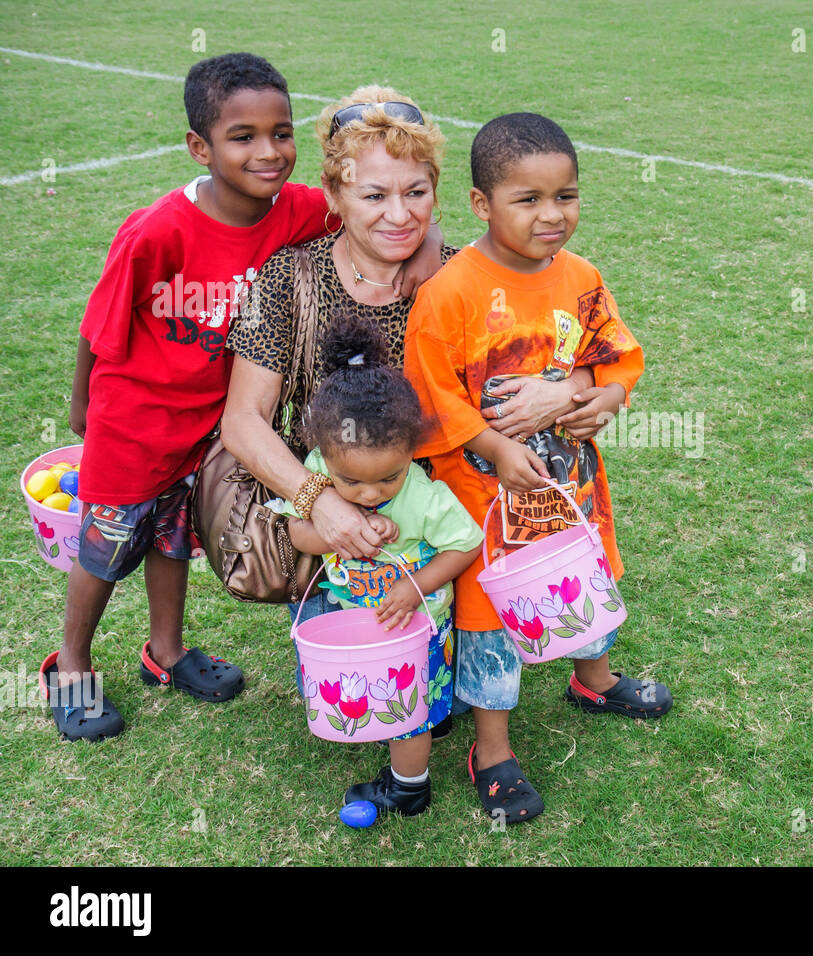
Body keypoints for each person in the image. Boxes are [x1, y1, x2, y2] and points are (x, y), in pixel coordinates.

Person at [222, 89, 589, 697]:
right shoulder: (288, 277)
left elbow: (560, 339)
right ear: (334, 197)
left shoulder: (460, 274)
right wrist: (321, 501)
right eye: (374, 195)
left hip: (443, 513)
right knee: (364, 689)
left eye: (416, 194)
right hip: (335, 507)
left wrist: (574, 388)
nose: (400, 215)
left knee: (431, 700)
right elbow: (242, 421)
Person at [44, 52, 331, 741]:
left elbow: (368, 208)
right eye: (243, 137)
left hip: (206, 431)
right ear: (200, 148)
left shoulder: (297, 212)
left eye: (282, 132)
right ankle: (70, 662)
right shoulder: (157, 231)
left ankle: (165, 651)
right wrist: (84, 410)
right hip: (134, 426)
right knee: (108, 550)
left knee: (172, 541)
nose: (269, 152)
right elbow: (99, 325)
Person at [404, 112, 673, 825]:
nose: (552, 215)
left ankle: (594, 679)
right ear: (480, 205)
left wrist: (597, 396)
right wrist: (495, 448)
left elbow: (616, 357)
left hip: (570, 484)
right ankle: (491, 748)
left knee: (583, 581)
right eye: (528, 200)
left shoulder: (581, 278)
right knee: (492, 618)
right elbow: (431, 398)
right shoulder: (450, 293)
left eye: (567, 195)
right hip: (487, 502)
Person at [279, 318, 482, 814]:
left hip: (419, 625)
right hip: (363, 624)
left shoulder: (424, 497)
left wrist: (417, 589)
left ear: (411, 452)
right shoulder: (318, 476)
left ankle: (409, 786)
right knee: (405, 693)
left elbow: (467, 545)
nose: (371, 495)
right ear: (324, 458)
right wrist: (333, 527)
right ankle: (435, 718)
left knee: (406, 709)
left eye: (389, 478)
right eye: (351, 482)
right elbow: (295, 533)